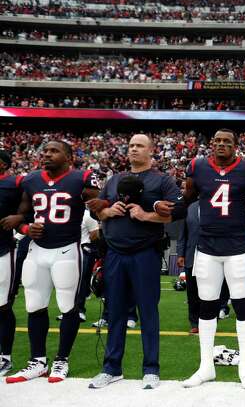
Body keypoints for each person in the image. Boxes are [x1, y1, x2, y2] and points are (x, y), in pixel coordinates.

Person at [88, 134, 184, 390]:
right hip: (115, 253)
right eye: (131, 145)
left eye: (139, 145)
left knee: (148, 311)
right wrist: (106, 211)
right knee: (116, 312)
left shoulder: (162, 180)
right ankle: (111, 368)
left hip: (145, 253)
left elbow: (173, 214)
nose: (133, 149)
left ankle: (151, 369)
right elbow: (99, 209)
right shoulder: (114, 180)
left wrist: (146, 215)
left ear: (151, 151)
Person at [5, 141, 100, 383]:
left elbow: (99, 206)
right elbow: (22, 214)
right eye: (44, 150)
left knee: (68, 306)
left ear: (69, 157)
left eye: (53, 151)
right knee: (34, 305)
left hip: (67, 249)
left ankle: (61, 360)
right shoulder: (31, 180)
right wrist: (26, 226)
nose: (46, 154)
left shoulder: (82, 178)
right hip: (37, 250)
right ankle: (37, 362)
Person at [181, 129, 245, 389]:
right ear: (212, 144)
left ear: (236, 145)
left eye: (228, 141)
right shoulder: (197, 167)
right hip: (206, 248)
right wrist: (164, 207)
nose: (221, 145)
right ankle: (205, 367)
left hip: (237, 248)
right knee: (206, 308)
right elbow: (186, 200)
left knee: (241, 306)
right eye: (217, 141)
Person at [0, 150, 23, 377]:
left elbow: (30, 208)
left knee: (3, 306)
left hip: (3, 250)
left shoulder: (15, 183)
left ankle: (4, 357)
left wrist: (21, 221)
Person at [177, 201, 201, 334]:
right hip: (191, 256)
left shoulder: (215, 206)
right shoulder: (190, 207)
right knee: (192, 293)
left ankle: (209, 320)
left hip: (211, 254)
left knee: (210, 292)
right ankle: (194, 322)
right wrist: (180, 254)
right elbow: (183, 234)